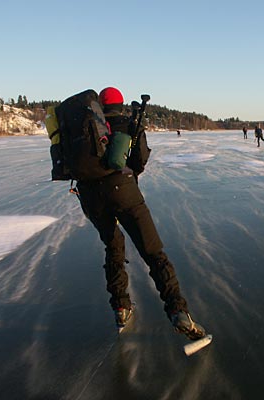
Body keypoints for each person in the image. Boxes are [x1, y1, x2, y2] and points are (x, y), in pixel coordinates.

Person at [75, 86, 205, 340]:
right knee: (153, 251)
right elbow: (139, 163)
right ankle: (178, 311)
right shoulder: (127, 123)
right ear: (120, 103)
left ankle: (121, 307)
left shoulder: (85, 128)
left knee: (113, 247)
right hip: (123, 192)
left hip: (90, 197)